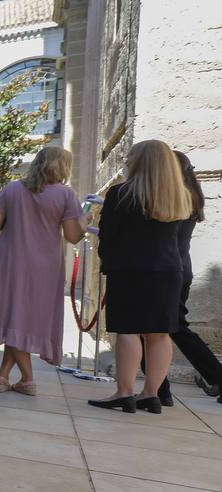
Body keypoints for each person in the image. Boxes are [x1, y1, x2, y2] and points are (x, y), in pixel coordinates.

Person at [0, 146, 88, 395]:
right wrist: (85, 221)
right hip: (44, 267)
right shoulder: (66, 195)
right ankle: (27, 379)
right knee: (20, 319)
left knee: (13, 317)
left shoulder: (12, 189)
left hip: (9, 261)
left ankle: (3, 377)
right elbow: (73, 236)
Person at [91, 140, 196, 413]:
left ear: (140, 161)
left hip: (129, 270)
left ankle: (124, 392)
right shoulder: (180, 197)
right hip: (169, 271)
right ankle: (150, 394)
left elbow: (109, 237)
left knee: (128, 330)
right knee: (160, 334)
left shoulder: (120, 194)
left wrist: (107, 257)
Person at [158, 151, 222, 404]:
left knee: (155, 330)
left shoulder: (174, 197)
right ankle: (159, 391)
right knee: (172, 328)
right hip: (182, 267)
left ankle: (158, 391)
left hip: (167, 269)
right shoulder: (191, 195)